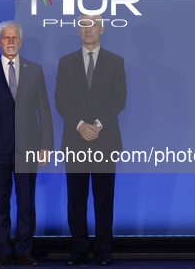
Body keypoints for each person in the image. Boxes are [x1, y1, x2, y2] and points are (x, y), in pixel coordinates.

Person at [0, 21, 54, 266]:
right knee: (0, 203)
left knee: (26, 203)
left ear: (20, 41)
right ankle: (3, 252)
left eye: (14, 37)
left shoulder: (35, 70)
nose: (10, 41)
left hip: (29, 148)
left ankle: (23, 251)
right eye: (6, 38)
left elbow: (45, 110)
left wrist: (46, 145)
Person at [54, 14, 127, 265]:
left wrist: (95, 125)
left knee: (104, 199)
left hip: (105, 140)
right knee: (76, 200)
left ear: (102, 29)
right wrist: (79, 126)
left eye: (92, 25)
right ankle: (79, 248)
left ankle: (104, 248)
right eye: (83, 25)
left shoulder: (116, 62)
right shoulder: (65, 62)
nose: (88, 30)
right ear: (78, 30)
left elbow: (119, 100)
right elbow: (60, 100)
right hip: (74, 141)